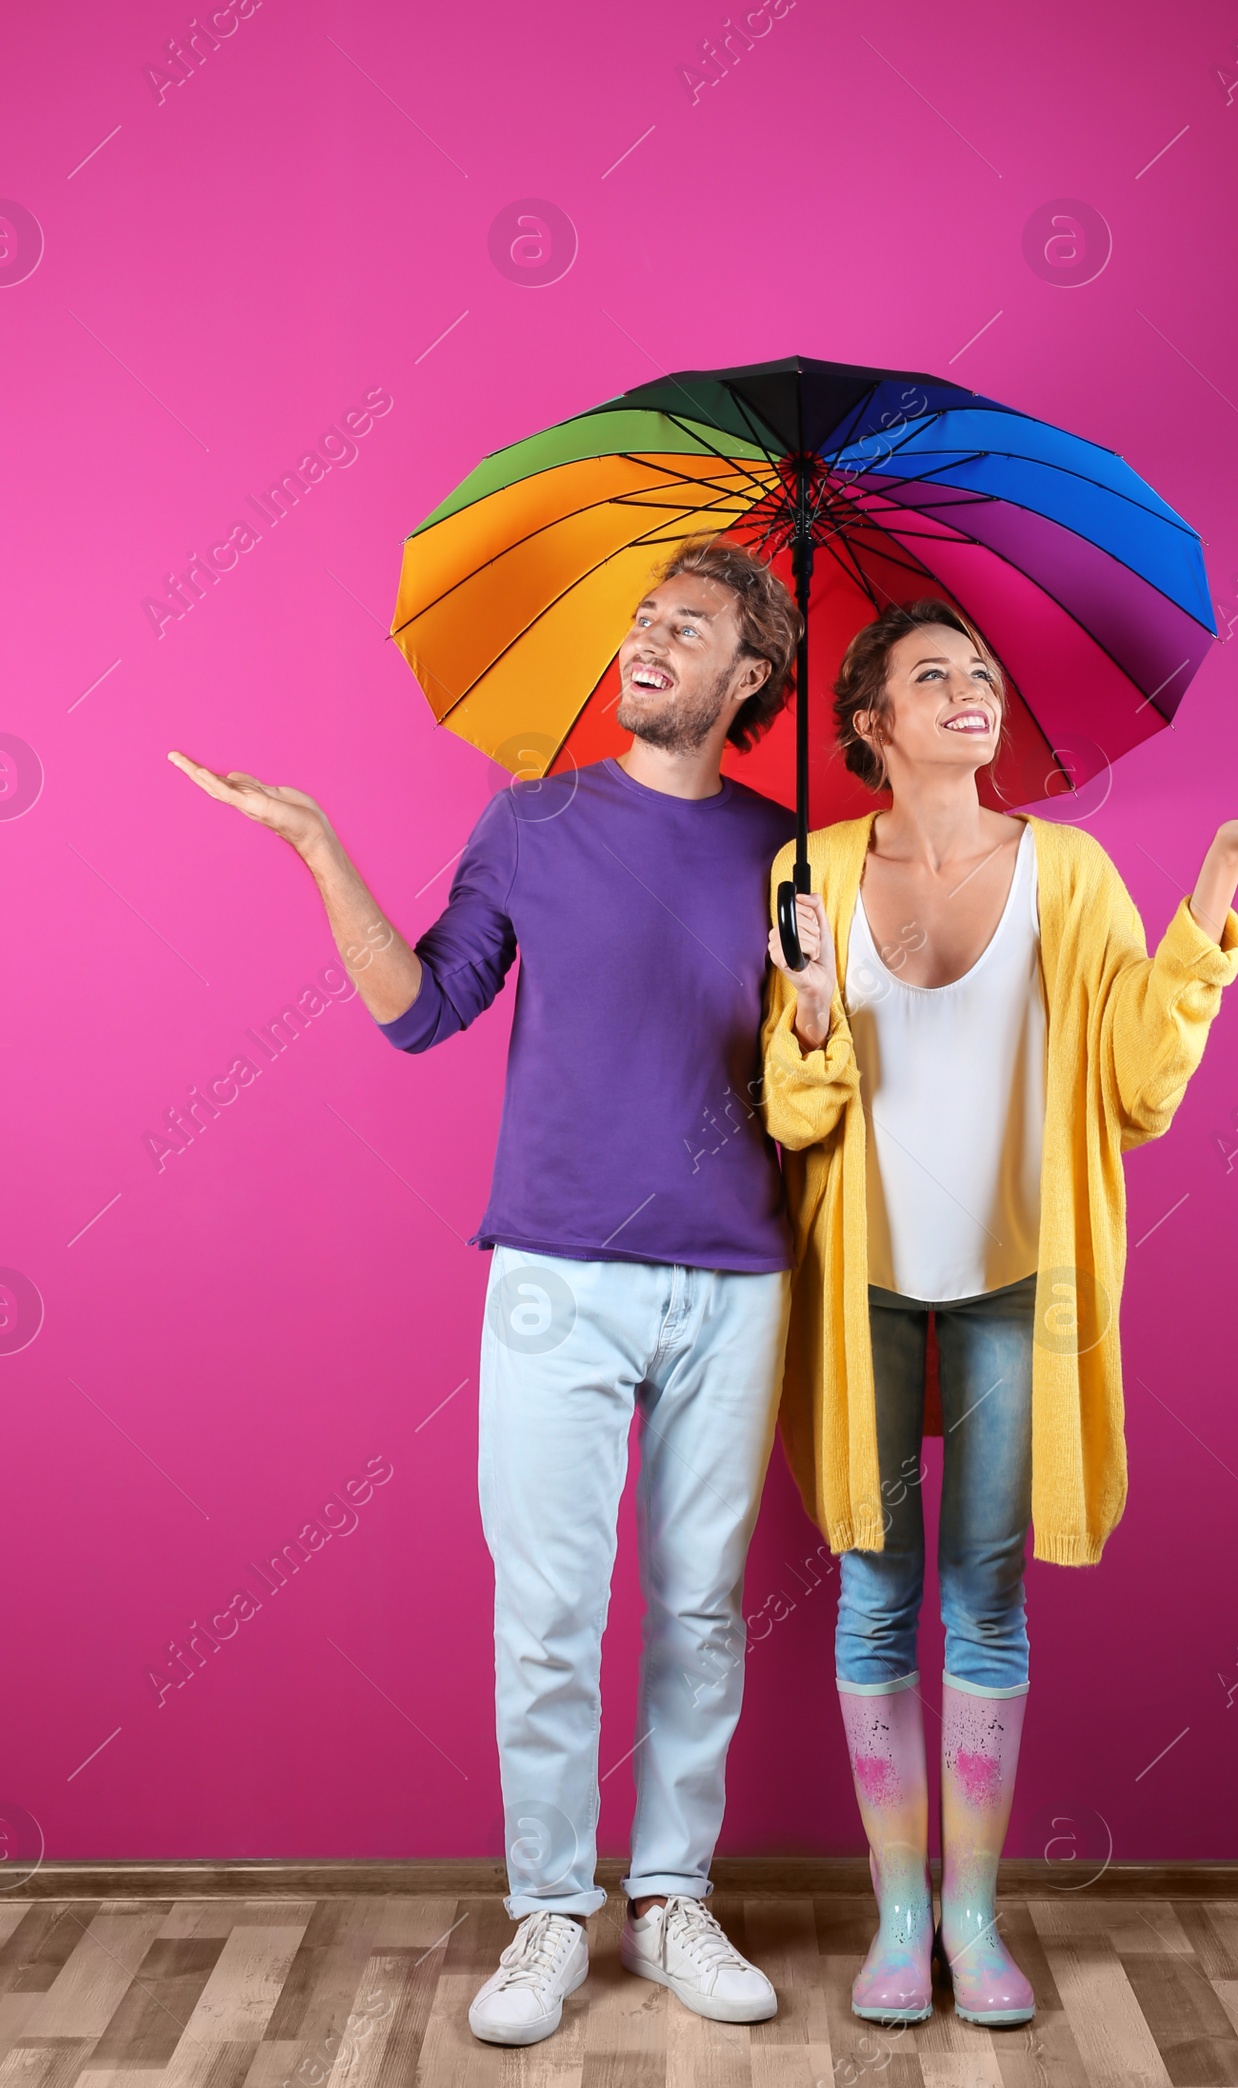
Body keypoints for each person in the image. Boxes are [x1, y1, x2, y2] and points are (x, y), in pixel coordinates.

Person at [170, 535, 805, 2047]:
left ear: (750, 678)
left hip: (737, 1275)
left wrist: (830, 991)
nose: (648, 641)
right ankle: (546, 1911)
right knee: (548, 1609)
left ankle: (670, 1898)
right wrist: (323, 850)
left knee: (702, 1606)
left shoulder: (796, 851)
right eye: (643, 619)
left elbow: (818, 1080)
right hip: (552, 1276)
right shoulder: (531, 822)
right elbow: (422, 1013)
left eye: (688, 627)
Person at [761, 598, 1238, 2028]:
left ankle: (975, 1914)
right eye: (932, 677)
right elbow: (790, 1116)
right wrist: (798, 1012)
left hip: (1019, 1294)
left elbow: (1140, 1087)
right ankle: (897, 1919)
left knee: (985, 1597)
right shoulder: (808, 871)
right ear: (873, 726)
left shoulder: (1071, 874)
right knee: (872, 1596)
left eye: (979, 674)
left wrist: (1217, 879)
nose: (970, 692)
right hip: (863, 1294)